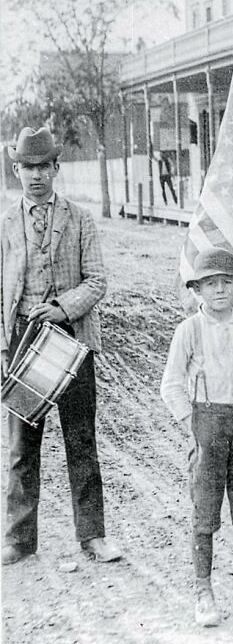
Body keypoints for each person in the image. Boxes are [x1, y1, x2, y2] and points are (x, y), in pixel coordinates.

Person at [1, 127, 122, 565]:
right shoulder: (6, 225)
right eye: (26, 167)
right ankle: (19, 538)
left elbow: (97, 281)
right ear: (16, 170)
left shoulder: (81, 218)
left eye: (43, 167)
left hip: (71, 343)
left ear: (56, 168)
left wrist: (62, 308)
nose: (35, 176)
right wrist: (4, 347)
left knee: (81, 440)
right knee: (21, 445)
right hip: (23, 342)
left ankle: (92, 536)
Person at [160, 247, 233, 627]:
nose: (220, 290)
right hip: (206, 420)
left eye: (227, 282)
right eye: (211, 284)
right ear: (198, 290)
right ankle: (203, 591)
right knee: (205, 509)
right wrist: (191, 425)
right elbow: (171, 385)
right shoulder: (190, 329)